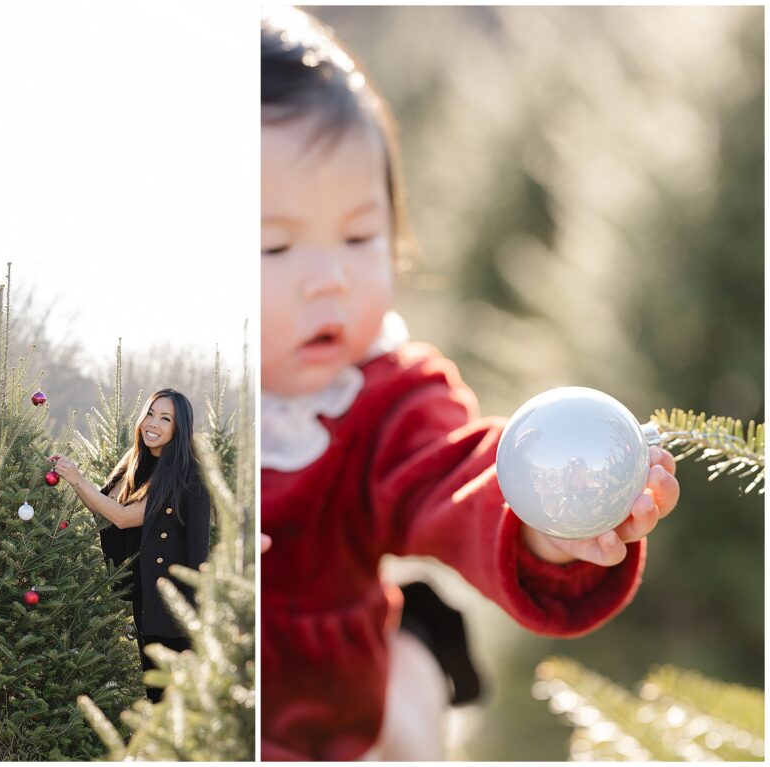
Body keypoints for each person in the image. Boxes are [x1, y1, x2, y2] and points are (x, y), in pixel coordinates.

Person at [260, 9, 682, 761]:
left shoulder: (380, 402)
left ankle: (416, 678)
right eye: (274, 246)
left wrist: (548, 525)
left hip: (331, 736)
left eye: (359, 236)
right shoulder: (161, 408)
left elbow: (461, 474)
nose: (329, 279)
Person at [49, 388, 211, 702]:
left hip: (175, 607)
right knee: (155, 691)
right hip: (146, 600)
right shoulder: (136, 462)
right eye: (150, 413)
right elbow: (104, 509)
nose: (153, 423)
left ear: (179, 428)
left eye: (165, 419)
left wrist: (77, 478)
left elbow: (124, 518)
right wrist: (72, 478)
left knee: (173, 697)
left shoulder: (185, 476)